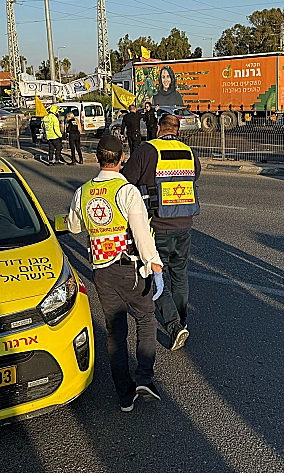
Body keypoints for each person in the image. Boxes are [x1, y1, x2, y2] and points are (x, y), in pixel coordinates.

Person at [67, 135, 164, 411]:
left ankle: (124, 396)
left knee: (115, 332)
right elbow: (141, 233)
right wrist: (154, 264)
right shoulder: (127, 191)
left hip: (101, 272)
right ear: (122, 158)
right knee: (145, 317)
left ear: (97, 158)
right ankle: (144, 377)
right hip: (129, 268)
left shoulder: (83, 192)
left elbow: (74, 226)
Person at [122, 114, 200, 351]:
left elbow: (126, 181)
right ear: (177, 131)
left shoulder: (147, 150)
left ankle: (173, 324)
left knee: (154, 275)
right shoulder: (189, 152)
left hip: (157, 226)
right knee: (180, 274)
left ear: (158, 128)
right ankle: (182, 320)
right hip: (185, 224)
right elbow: (195, 175)